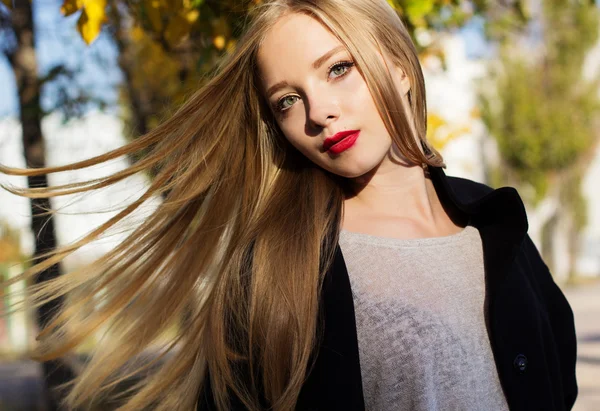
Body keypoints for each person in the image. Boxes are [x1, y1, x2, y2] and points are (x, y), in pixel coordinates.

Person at [0, 0, 577, 410]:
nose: (318, 112)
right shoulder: (275, 271)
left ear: (399, 67)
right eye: (286, 101)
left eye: (338, 68)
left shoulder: (497, 225)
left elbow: (559, 380)